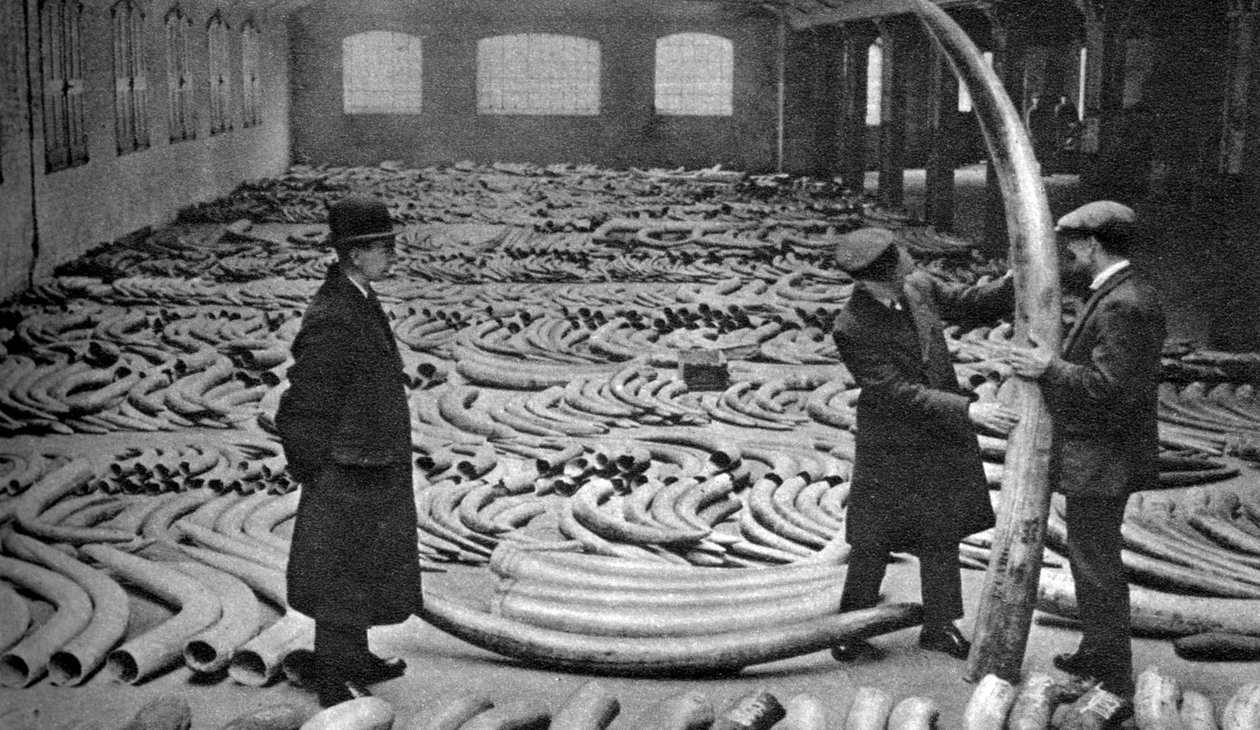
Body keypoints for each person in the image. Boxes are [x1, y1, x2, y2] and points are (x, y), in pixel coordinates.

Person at [829, 228, 1020, 662]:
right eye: (900, 258)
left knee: (941, 530)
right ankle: (850, 626)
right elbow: (893, 390)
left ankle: (940, 625)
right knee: (873, 538)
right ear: (881, 275)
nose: (909, 260)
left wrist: (1012, 281)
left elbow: (969, 301)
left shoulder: (918, 286)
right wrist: (969, 410)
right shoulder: (851, 326)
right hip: (891, 443)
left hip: (937, 437)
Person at [1006, 201, 1164, 708]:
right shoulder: (1119, 290)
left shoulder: (1125, 304)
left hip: (1104, 460)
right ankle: (1097, 651)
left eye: (1073, 244)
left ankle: (1113, 675)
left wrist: (1048, 367)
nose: (1069, 254)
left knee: (1097, 565)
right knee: (1089, 558)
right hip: (1100, 456)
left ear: (1092, 244)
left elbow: (1108, 387)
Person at [276, 196, 423, 707]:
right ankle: (334, 677)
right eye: (383, 246)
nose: (392, 253)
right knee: (340, 569)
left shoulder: (357, 297)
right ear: (355, 254)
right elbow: (303, 402)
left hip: (370, 458)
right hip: (347, 465)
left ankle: (355, 657)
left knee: (364, 563)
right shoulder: (335, 314)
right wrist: (316, 469)